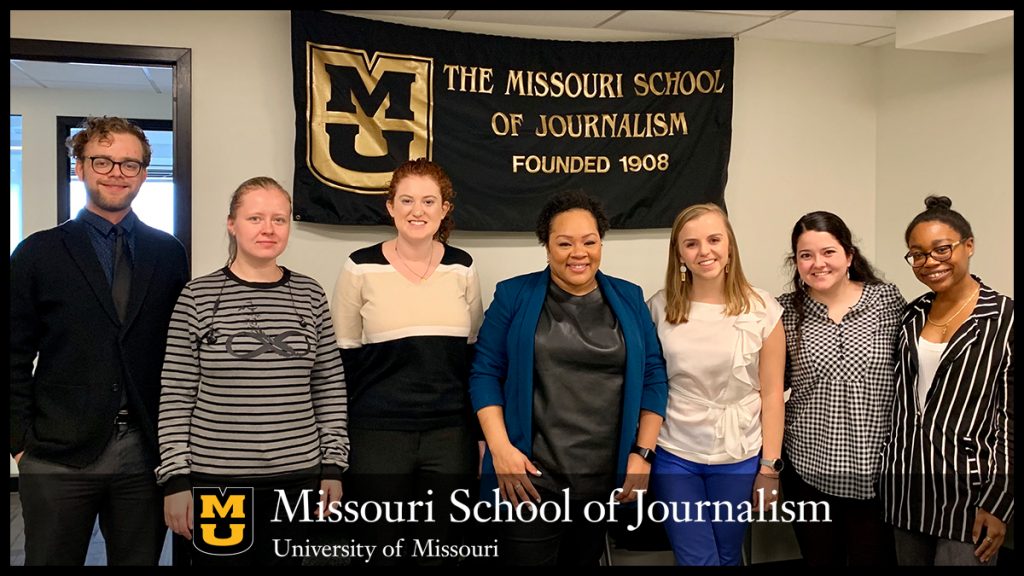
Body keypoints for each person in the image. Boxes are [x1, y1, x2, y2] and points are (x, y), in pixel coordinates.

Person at [10, 116, 190, 565]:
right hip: (57, 454)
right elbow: (11, 353)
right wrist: (19, 441)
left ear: (144, 174)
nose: (116, 172)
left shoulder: (167, 252)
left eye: (129, 164)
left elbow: (178, 354)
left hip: (143, 456)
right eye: (103, 161)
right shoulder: (38, 252)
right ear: (80, 168)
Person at [469, 189, 668, 566]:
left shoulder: (629, 297)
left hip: (602, 480)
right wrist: (500, 450)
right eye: (564, 243)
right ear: (546, 247)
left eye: (589, 241)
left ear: (601, 244)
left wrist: (643, 454)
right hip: (529, 478)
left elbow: (655, 377)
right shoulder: (514, 295)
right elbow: (484, 373)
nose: (579, 253)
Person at [156, 177, 348, 565]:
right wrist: (175, 479)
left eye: (279, 219)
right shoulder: (198, 296)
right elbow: (176, 394)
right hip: (218, 482)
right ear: (232, 224)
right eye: (255, 218)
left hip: (297, 477)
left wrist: (333, 467)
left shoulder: (310, 295)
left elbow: (329, 386)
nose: (268, 229)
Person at [330, 158, 483, 565]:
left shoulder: (463, 268)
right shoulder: (359, 266)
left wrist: (480, 434)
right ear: (390, 207)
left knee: (442, 550)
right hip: (377, 436)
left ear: (444, 209)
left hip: (450, 436)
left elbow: (471, 358)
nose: (418, 211)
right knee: (379, 550)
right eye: (407, 200)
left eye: (429, 201)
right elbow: (342, 360)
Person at [647, 202, 785, 566]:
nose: (704, 251)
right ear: (679, 253)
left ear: (730, 246)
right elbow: (651, 386)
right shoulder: (659, 308)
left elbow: (772, 395)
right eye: (691, 244)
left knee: (726, 555)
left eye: (713, 239)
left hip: (740, 453)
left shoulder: (764, 309)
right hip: (675, 452)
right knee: (698, 559)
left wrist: (769, 468)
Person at [881, 195, 1013, 566]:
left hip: (969, 494)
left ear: (968, 245)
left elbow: (1008, 419)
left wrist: (999, 502)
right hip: (907, 487)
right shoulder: (911, 314)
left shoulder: (1004, 318)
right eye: (918, 254)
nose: (930, 262)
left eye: (942, 249)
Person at [777, 211, 905, 566]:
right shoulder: (784, 312)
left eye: (828, 252)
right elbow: (770, 387)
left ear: (849, 255)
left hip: (876, 470)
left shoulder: (887, 302)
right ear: (796, 262)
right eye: (806, 255)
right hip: (808, 466)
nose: (818, 263)